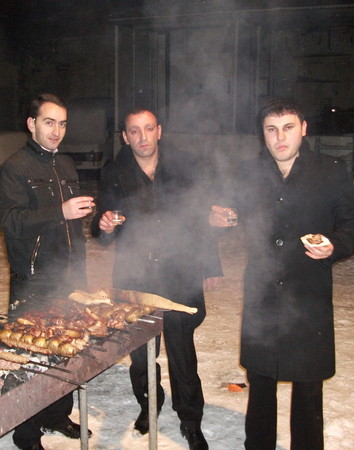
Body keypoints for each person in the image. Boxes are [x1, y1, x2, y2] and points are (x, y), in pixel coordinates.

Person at [210, 98, 354, 449]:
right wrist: (218, 219)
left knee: (308, 387)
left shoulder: (329, 171)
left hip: (308, 293)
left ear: (303, 129)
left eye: (288, 128)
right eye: (271, 129)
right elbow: (226, 210)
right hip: (262, 293)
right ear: (263, 134)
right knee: (261, 383)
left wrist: (335, 244)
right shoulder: (248, 173)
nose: (280, 137)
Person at [91, 108, 223, 450]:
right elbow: (103, 225)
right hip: (136, 274)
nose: (143, 137)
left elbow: (201, 215)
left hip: (180, 270)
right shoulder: (114, 172)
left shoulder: (184, 166)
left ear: (159, 131)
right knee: (140, 351)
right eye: (134, 131)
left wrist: (210, 264)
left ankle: (190, 420)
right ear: (125, 136)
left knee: (181, 350)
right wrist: (104, 226)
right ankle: (149, 403)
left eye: (148, 128)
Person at [0, 93, 95, 450]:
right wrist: (59, 212)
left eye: (62, 123)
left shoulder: (65, 164)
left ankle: (56, 415)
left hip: (69, 276)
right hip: (34, 279)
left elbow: (70, 225)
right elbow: (11, 222)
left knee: (65, 350)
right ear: (31, 124)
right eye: (49, 122)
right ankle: (26, 433)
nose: (56, 131)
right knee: (31, 357)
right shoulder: (14, 168)